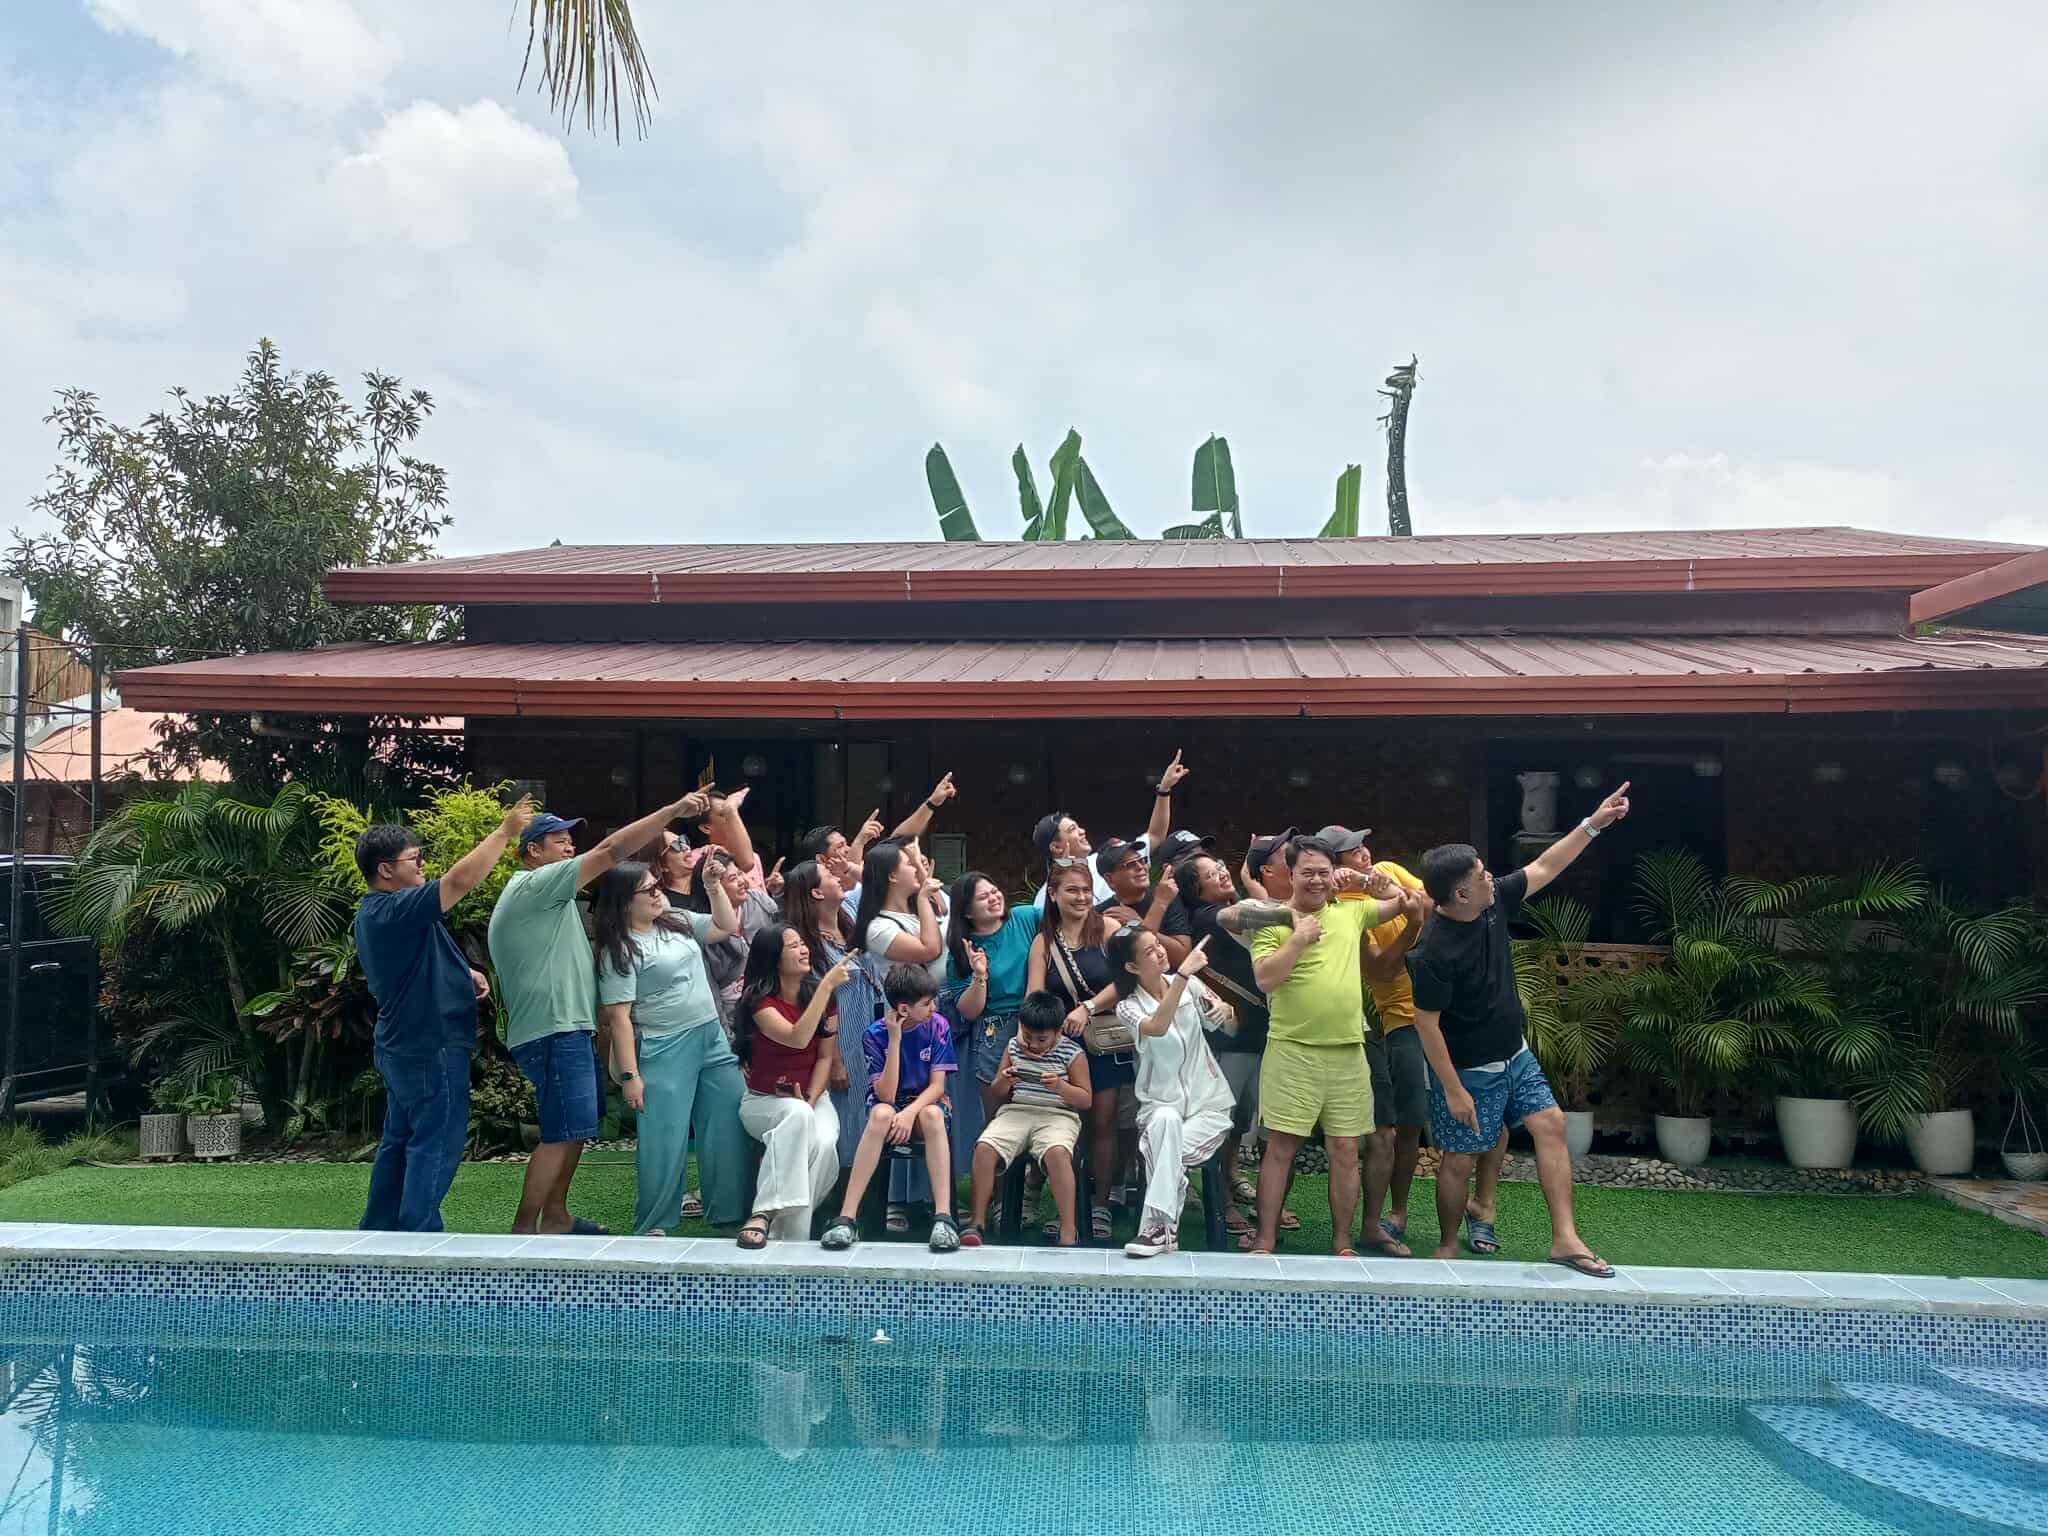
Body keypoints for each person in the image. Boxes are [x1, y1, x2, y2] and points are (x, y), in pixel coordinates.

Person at [1409, 783, 1634, 1278]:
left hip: (1516, 1054)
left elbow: (1547, 866)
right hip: (1469, 1070)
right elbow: (1426, 1024)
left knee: (1551, 1124)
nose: (1491, 876)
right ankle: (1447, 1244)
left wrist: (1594, 823)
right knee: (1459, 1159)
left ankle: (1565, 1239)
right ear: (1460, 893)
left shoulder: (1492, 902)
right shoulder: (1434, 952)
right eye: (1481, 874)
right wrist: (1454, 1090)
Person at [487, 787, 710, 1236]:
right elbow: (611, 851)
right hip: (553, 1030)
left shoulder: (550, 898)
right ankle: (524, 1231)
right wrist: (671, 810)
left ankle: (556, 1216)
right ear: (532, 851)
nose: (571, 848)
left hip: (567, 1029)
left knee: (575, 1128)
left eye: (571, 840)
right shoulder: (535, 885)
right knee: (560, 1131)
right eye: (560, 841)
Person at [352, 794, 535, 1233]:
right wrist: (505, 831)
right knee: (437, 1141)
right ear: (385, 870)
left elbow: (420, 954)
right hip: (428, 1044)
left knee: (401, 1140)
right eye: (414, 859)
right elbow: (459, 882)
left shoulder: (383, 911)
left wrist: (462, 972)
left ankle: (380, 1231)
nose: (423, 866)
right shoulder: (395, 908)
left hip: (405, 1043)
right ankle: (419, 1234)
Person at [1243, 836, 1403, 1256]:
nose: (1315, 880)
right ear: (1291, 875)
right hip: (1292, 1049)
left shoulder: (1352, 911)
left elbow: (1405, 902)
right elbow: (1265, 980)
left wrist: (1367, 881)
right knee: (1280, 1147)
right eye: (1306, 873)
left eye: (1323, 872)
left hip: (1348, 1051)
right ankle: (1265, 1238)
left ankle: (1343, 1242)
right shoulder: (1273, 920)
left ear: (1334, 874)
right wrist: (1298, 939)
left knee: (1346, 1149)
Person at [592, 860, 747, 1236]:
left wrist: (713, 887)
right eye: (649, 889)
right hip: (662, 1045)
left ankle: (727, 1212)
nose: (658, 892)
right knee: (664, 1137)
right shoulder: (619, 950)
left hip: (710, 1035)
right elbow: (619, 1018)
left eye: (657, 884)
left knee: (728, 1119)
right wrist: (630, 1075)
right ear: (625, 902)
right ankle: (655, 1223)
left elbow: (725, 926)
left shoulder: (675, 919)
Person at [1318, 824, 1432, 1257]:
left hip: (1439, 1015)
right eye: (1352, 851)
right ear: (1335, 865)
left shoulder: (1386, 869)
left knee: (1410, 1124)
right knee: (1394, 1123)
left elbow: (1433, 903)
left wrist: (1392, 893)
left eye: (1362, 844)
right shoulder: (1340, 904)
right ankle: (1379, 1219)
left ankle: (1397, 1212)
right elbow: (1382, 968)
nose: (1363, 853)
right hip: (1394, 1018)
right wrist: (1411, 922)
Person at [1173, 850, 1296, 1243]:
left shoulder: (1235, 905)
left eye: (1220, 867)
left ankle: (1263, 1205)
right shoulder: (1206, 918)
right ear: (1196, 890)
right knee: (1224, 1122)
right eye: (1211, 874)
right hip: (1231, 1040)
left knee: (1262, 1124)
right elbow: (1244, 915)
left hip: (1267, 1034)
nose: (1221, 873)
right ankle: (1223, 1203)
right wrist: (1294, 913)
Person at [1110, 927, 1234, 1259]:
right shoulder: (1128, 1008)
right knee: (1166, 1124)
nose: (1160, 951)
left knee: (1165, 1150)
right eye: (1149, 951)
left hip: (1209, 1107)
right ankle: (1163, 1231)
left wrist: (1226, 1012)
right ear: (1132, 967)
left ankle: (1157, 1230)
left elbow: (1226, 1020)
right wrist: (1182, 976)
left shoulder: (1193, 986)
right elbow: (1156, 1027)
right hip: (1160, 1108)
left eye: (1158, 945)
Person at [822, 963, 961, 1252]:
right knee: (881, 1114)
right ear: (904, 1009)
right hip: (890, 1102)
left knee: (932, 1115)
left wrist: (909, 1113)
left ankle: (944, 1218)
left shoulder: (938, 1026)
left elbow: (937, 1087)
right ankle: (847, 1218)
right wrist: (895, 1040)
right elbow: (885, 1095)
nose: (934, 1008)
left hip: (925, 1102)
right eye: (927, 1003)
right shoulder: (874, 1034)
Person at [1029, 861, 1128, 1242]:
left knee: (1104, 1123)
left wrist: (1087, 1007)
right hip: (1062, 1047)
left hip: (1105, 1041)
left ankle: (1100, 1204)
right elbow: (1034, 996)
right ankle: (1065, 1208)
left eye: (1086, 890)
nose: (1081, 897)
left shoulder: (1109, 930)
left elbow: (1127, 979)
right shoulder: (1044, 942)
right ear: (1053, 894)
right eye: (1072, 890)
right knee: (1066, 1125)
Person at [734, 926, 849, 1247]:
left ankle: (789, 1234)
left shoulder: (824, 998)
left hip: (812, 1098)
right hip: (763, 1102)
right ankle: (762, 1212)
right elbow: (797, 1038)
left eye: (803, 943)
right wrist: (826, 986)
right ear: (774, 957)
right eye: (793, 946)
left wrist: (810, 1100)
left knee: (824, 1143)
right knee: (796, 1116)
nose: (803, 950)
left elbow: (825, 1057)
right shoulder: (759, 1002)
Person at [962, 989, 1092, 1246]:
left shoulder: (1072, 1053)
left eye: (1042, 1039)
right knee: (985, 1148)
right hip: (1017, 1111)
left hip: (1058, 1115)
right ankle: (977, 1222)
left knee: (1057, 1153)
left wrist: (1060, 1087)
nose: (1033, 1044)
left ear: (1058, 1031)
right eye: (1028, 1035)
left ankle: (1068, 1230)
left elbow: (1086, 1099)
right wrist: (1005, 1079)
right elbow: (998, 1091)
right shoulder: (1013, 1046)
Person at [782, 857, 885, 1169]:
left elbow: (880, 889)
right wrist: (836, 1060)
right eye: (828, 874)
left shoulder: (849, 924)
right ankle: (840, 1180)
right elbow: (815, 1005)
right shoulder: (808, 945)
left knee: (873, 1103)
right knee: (847, 1109)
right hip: (842, 1037)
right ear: (815, 892)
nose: (838, 877)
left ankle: (873, 1178)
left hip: (872, 1028)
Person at [1030, 749, 1190, 905]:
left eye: (1078, 827)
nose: (1082, 831)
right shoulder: (1046, 897)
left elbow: (1155, 835)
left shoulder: (1105, 860)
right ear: (1056, 847)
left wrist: (1164, 790)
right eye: (1072, 829)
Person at [849, 841, 946, 986]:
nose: (916, 869)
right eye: (910, 864)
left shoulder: (917, 908)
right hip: (918, 999)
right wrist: (923, 898)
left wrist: (918, 866)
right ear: (892, 876)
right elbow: (931, 951)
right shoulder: (878, 928)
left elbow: (942, 909)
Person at [1094, 836, 1193, 965]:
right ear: (1110, 879)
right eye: (1130, 864)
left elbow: (1182, 957)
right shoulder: (1100, 915)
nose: (1140, 867)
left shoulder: (1165, 894)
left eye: (1142, 860)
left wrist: (1138, 925)